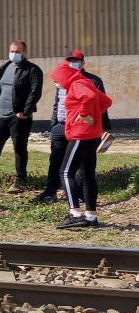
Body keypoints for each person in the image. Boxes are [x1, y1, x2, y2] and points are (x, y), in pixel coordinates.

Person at [33, 50, 112, 204]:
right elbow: (59, 103)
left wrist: (85, 115)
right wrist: (54, 123)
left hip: (81, 130)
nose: (72, 63)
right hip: (62, 125)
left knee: (71, 170)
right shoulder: (65, 82)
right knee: (57, 160)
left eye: (76, 60)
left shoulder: (85, 81)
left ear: (83, 63)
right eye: (69, 60)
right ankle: (53, 193)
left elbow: (96, 100)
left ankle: (75, 208)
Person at [51, 61, 112, 229]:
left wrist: (84, 114)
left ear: (64, 76)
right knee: (87, 175)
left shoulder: (76, 84)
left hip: (81, 135)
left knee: (65, 172)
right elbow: (106, 101)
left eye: (57, 79)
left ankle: (75, 213)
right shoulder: (87, 82)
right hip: (92, 134)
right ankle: (91, 216)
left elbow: (90, 98)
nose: (56, 83)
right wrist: (93, 114)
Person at [0, 40, 43, 193]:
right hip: (2, 114)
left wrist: (25, 112)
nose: (14, 54)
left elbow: (35, 92)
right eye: (12, 51)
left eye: (18, 52)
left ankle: (20, 179)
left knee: (19, 147)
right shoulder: (4, 67)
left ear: (24, 53)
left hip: (19, 116)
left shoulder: (32, 70)